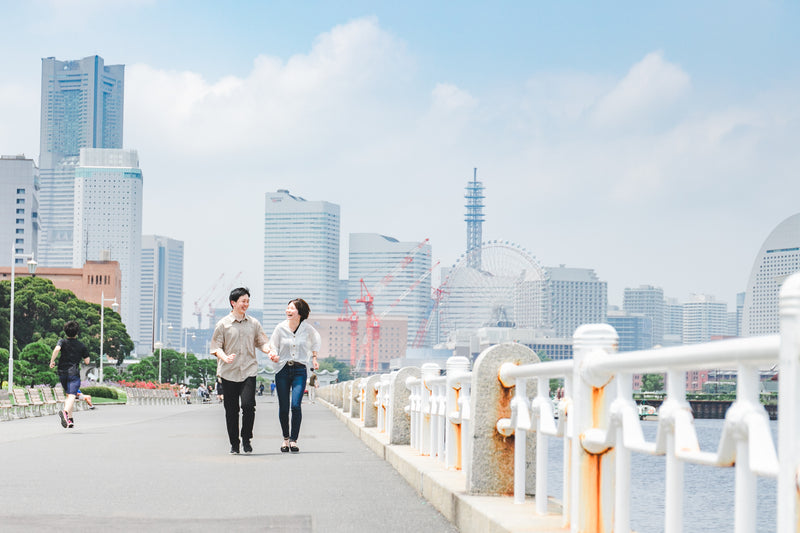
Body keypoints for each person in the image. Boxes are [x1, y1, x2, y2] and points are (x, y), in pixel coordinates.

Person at [210, 287, 270, 455]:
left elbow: (262, 342)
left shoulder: (254, 323)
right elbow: (216, 348)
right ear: (233, 303)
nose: (246, 304)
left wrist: (269, 351)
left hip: (248, 370)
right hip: (229, 372)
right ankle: (234, 444)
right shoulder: (223, 324)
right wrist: (225, 357)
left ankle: (246, 438)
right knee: (231, 410)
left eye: (248, 301)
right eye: (243, 301)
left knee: (248, 405)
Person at [267, 298, 320, 453]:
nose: (288, 311)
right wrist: (274, 355)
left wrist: (314, 358)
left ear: (300, 312)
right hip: (282, 369)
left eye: (292, 308)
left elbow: (316, 341)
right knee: (284, 407)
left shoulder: (308, 329)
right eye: (287, 308)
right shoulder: (280, 328)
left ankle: (294, 440)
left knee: (295, 405)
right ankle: (285, 438)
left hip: (299, 370)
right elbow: (273, 346)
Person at [49, 320, 90, 429]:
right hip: (73, 373)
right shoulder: (81, 345)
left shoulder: (62, 341)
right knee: (72, 395)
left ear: (66, 331)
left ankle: (70, 419)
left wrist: (52, 361)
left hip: (62, 372)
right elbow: (87, 362)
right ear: (77, 332)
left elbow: (57, 349)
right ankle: (65, 412)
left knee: (68, 394)